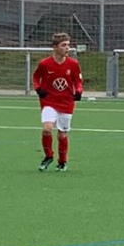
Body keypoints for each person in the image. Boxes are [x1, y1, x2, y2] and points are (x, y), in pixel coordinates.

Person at [33, 32, 83, 172]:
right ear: (55, 47)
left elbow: (78, 81)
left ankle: (62, 161)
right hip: (49, 101)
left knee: (62, 134)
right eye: (63, 45)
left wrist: (79, 91)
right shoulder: (45, 64)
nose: (67, 48)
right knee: (47, 129)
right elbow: (36, 78)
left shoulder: (73, 64)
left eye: (68, 45)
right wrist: (38, 89)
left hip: (66, 102)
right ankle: (48, 156)